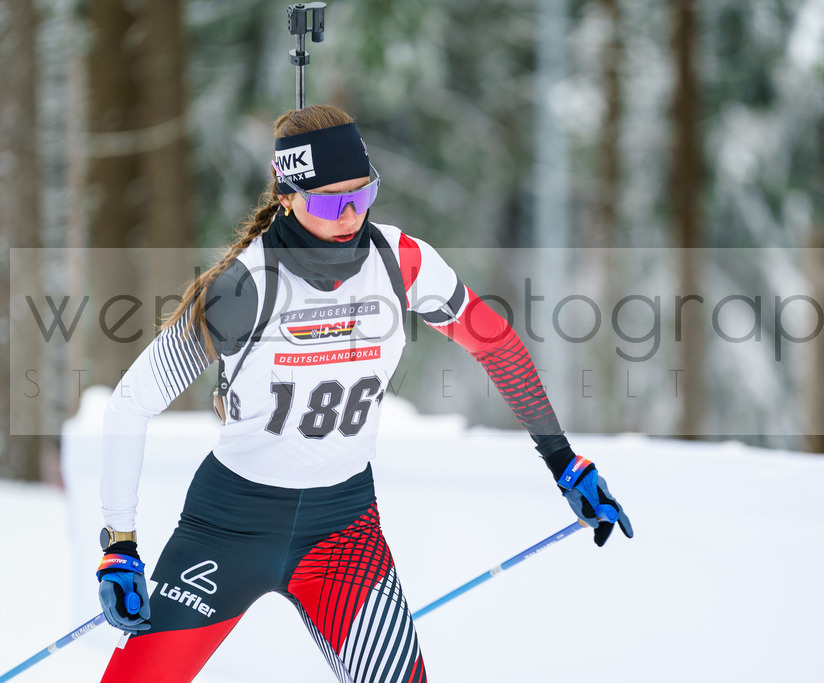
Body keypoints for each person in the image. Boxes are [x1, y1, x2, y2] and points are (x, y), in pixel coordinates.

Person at [96, 104, 633, 683]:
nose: (351, 213)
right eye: (331, 201)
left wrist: (564, 462)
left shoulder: (401, 262)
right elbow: (132, 402)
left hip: (344, 533)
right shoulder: (247, 286)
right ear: (288, 197)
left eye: (363, 192)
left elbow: (496, 345)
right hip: (230, 528)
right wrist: (119, 543)